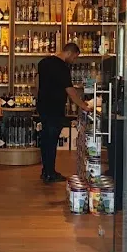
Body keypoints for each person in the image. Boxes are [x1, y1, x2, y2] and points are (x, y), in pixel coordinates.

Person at [37, 42, 91, 183]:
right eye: (74, 57)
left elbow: (38, 83)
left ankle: (46, 170)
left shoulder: (43, 62)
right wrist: (83, 106)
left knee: (46, 140)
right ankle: (50, 174)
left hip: (43, 106)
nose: (73, 60)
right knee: (52, 141)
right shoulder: (62, 67)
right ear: (69, 53)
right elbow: (70, 91)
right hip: (54, 108)